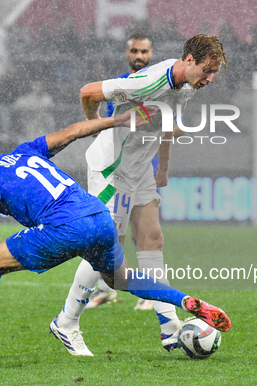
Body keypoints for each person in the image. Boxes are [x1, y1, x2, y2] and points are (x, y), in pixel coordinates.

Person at [0, 107, 231, 367]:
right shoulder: (25, 151)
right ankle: (184, 301)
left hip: (64, 227)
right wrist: (116, 120)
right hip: (99, 217)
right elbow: (73, 132)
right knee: (120, 279)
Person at [52, 34, 227, 354]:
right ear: (189, 60)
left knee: (152, 239)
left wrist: (163, 167)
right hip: (112, 170)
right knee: (106, 250)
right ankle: (66, 322)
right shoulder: (146, 81)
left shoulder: (187, 87)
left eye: (214, 72)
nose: (211, 78)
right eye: (207, 70)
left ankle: (171, 326)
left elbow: (166, 125)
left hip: (140, 167)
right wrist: (99, 126)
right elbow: (88, 92)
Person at [86, 33, 156, 312]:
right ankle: (106, 288)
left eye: (144, 51)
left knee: (143, 230)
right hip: (115, 168)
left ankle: (148, 291)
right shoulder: (119, 85)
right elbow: (102, 114)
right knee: (111, 230)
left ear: (151, 54)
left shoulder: (157, 84)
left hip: (142, 168)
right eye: (135, 51)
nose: (139, 56)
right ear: (127, 53)